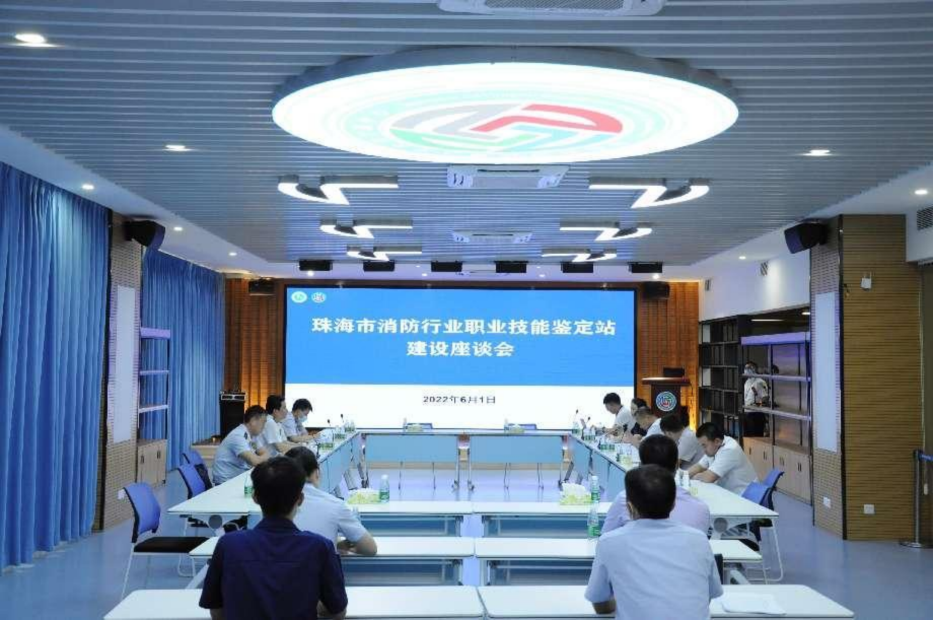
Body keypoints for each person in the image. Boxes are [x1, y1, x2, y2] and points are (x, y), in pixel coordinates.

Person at [199, 457, 348, 620]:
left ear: (255, 497)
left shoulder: (228, 545)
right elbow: (337, 612)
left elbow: (216, 610)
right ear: (300, 499)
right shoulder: (320, 547)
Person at [585, 465, 722, 620]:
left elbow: (600, 605)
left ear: (629, 507)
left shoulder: (609, 542)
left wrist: (627, 601)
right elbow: (708, 595)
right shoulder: (699, 539)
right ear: (673, 504)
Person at [603, 435, 710, 533]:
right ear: (677, 465)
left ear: (641, 465)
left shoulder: (625, 499)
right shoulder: (701, 509)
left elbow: (606, 537)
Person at [286, 446, 378, 556]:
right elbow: (370, 548)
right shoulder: (335, 505)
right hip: (321, 567)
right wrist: (337, 544)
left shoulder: (275, 505)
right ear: (317, 473)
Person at [688, 423, 759, 496]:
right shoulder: (714, 447)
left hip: (745, 495)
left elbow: (709, 477)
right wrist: (684, 475)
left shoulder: (730, 449)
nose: (703, 450)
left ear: (717, 441)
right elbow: (699, 466)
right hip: (729, 492)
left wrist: (694, 476)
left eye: (704, 446)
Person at [212, 405, 269, 485]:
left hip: (237, 478)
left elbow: (266, 453)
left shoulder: (253, 436)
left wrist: (261, 457)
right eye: (263, 422)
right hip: (225, 482)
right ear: (253, 421)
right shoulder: (238, 435)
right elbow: (254, 461)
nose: (264, 426)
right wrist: (262, 457)